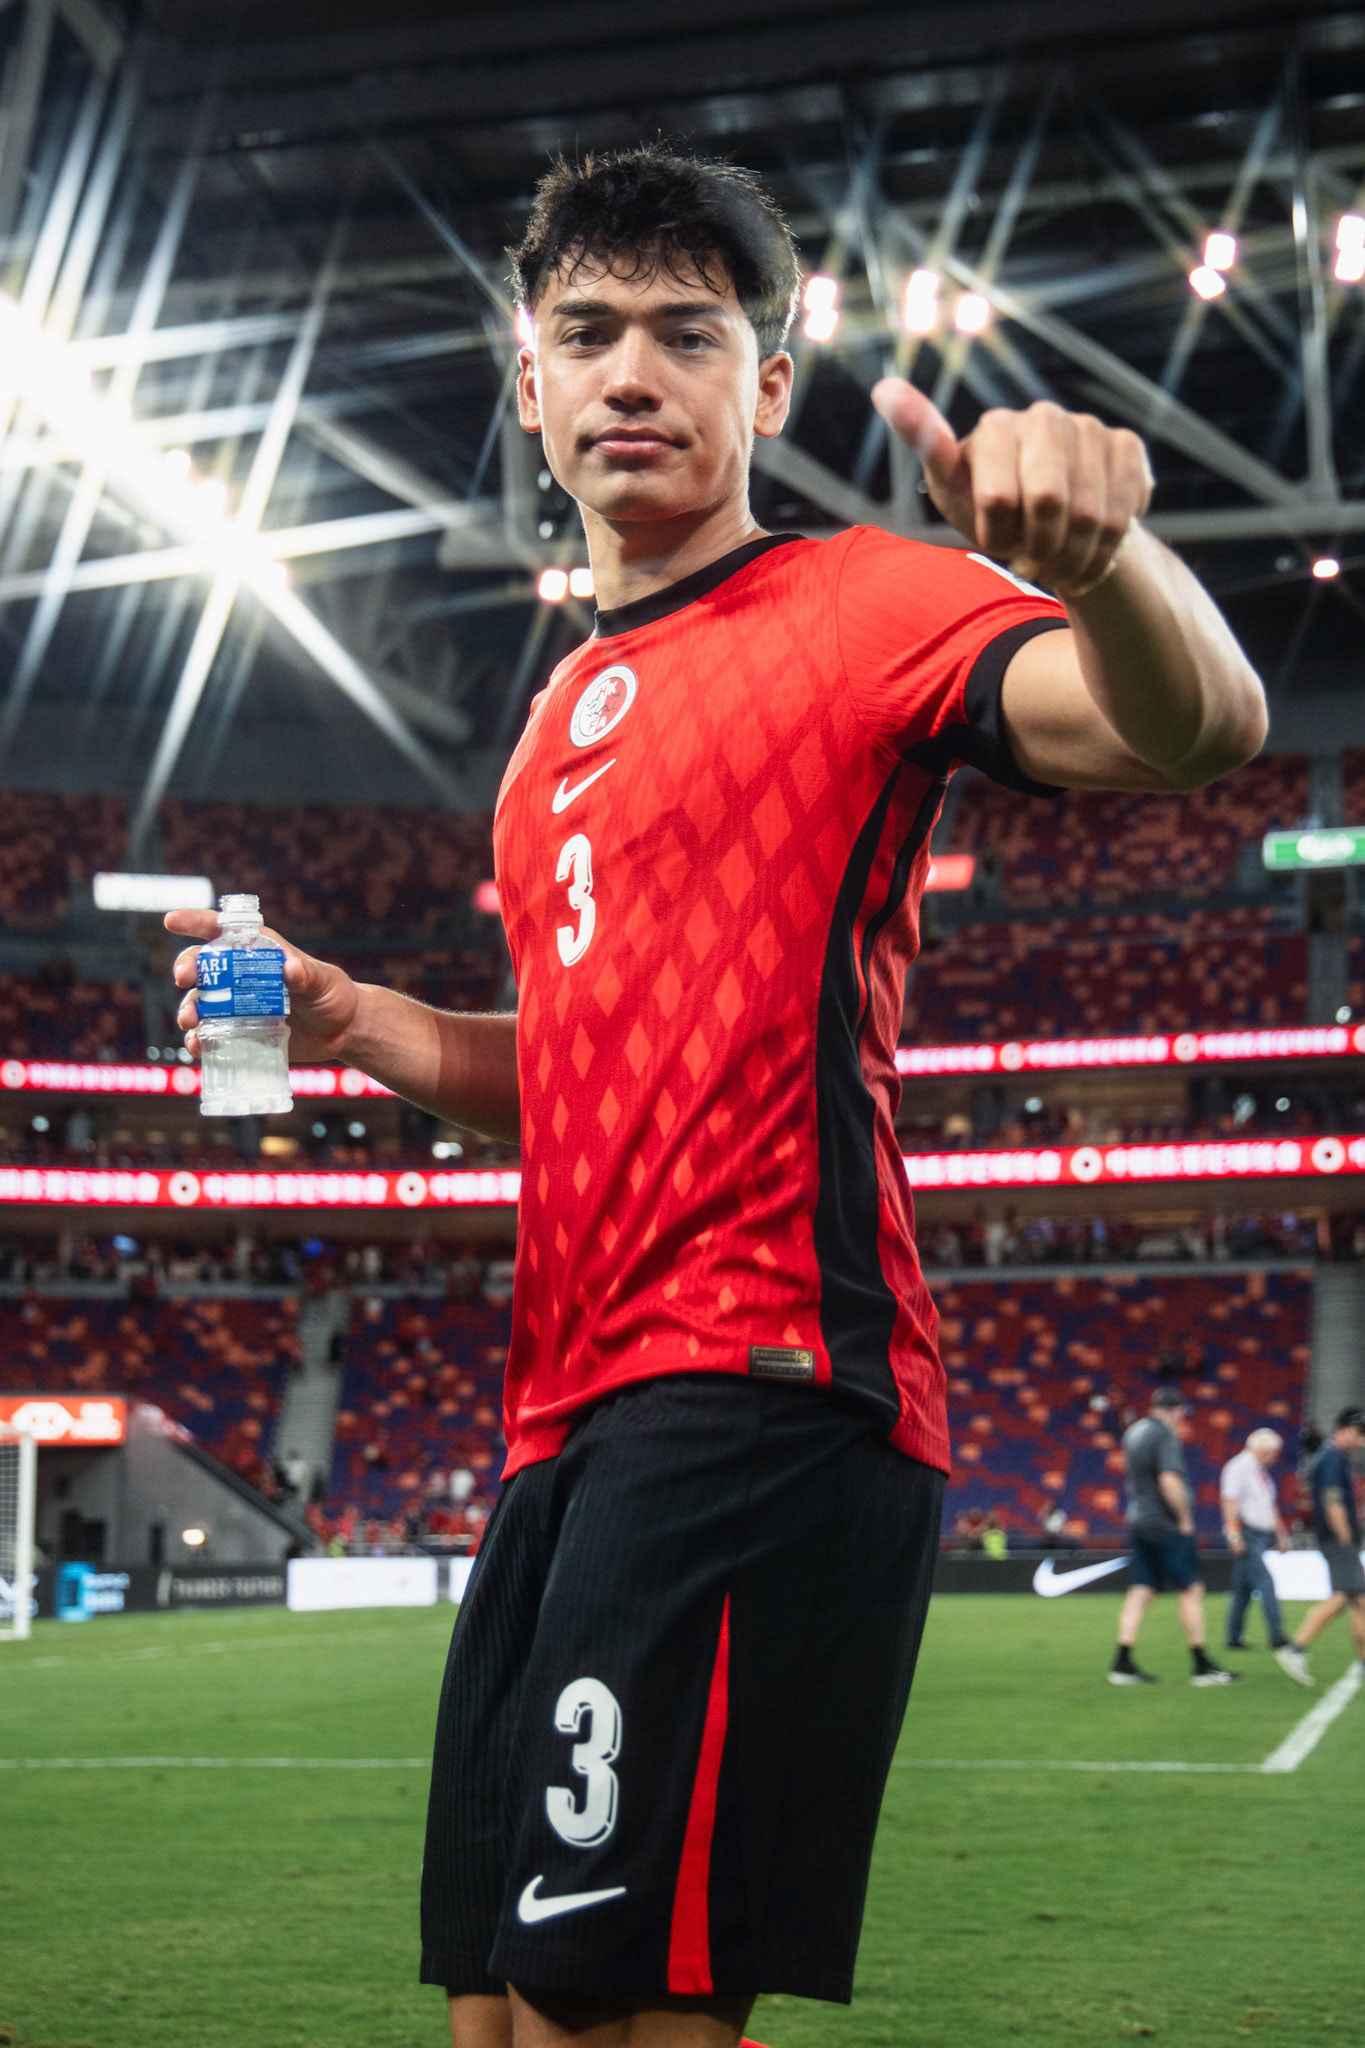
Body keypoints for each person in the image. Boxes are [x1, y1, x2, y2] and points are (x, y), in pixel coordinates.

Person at [166, 146, 1266, 2048]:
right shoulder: (543, 736)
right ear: (529, 384)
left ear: (765, 386)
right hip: (559, 1422)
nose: (631, 373)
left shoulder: (863, 602)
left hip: (762, 1383)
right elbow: (573, 1080)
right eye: (587, 331)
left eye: (687, 333)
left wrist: (1105, 565)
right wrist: (366, 1023)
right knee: (497, 2016)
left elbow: (1197, 725)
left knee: (606, 2011)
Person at [1110, 1386, 1239, 1687]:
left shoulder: (1134, 1432)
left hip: (1139, 1520)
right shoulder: (1164, 1435)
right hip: (1164, 1523)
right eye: (1180, 1413)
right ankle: (1201, 1665)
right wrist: (1184, 1519)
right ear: (1171, 1410)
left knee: (1141, 1590)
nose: (1182, 1419)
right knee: (1191, 1589)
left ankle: (1122, 1662)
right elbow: (1169, 1481)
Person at [1275, 1406, 1365, 1688]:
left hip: (1338, 1539)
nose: (1361, 1440)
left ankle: (1362, 1664)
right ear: (1341, 1429)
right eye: (1358, 1433)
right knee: (1343, 1597)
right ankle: (1296, 1648)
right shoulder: (1331, 1459)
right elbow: (1332, 1502)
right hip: (1338, 1539)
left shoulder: (1333, 1458)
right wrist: (1346, 1538)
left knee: (1359, 1601)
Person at [1220, 1427, 1291, 1653]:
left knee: (1242, 1588)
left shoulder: (1260, 1472)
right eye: (1272, 1453)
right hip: (1247, 1533)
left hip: (1260, 1535)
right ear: (1261, 1450)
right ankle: (1277, 1636)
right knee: (1266, 1582)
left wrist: (1281, 1534)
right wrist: (1234, 1534)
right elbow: (1229, 1502)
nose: (1274, 1458)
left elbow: (1269, 1505)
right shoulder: (1238, 1467)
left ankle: (1233, 1637)